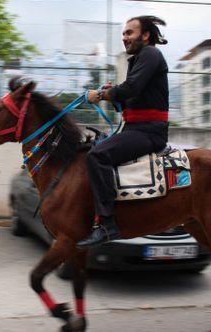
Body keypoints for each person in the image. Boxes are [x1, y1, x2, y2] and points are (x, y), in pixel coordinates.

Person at [77, 16, 170, 248]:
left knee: (98, 156)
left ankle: (107, 225)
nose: (124, 37)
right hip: (136, 128)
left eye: (130, 32)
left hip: (149, 132)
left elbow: (131, 88)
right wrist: (113, 93)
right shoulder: (138, 59)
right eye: (124, 33)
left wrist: (100, 95)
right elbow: (133, 96)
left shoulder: (150, 54)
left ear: (145, 35)